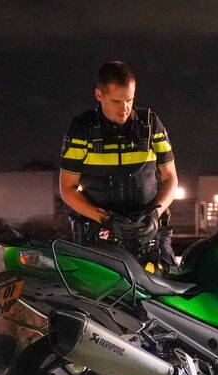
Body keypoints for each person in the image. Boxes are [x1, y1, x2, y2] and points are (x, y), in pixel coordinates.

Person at [58, 60, 179, 268]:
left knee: (170, 296)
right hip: (101, 238)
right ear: (99, 95)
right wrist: (105, 220)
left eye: (129, 100)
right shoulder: (82, 129)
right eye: (116, 101)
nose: (124, 109)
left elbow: (170, 178)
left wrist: (155, 214)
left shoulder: (150, 124)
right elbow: (67, 188)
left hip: (151, 235)